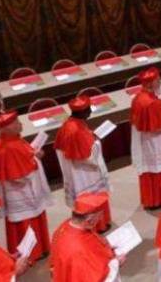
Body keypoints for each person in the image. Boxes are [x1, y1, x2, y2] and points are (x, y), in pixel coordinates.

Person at [0, 110, 51, 262]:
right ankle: (32, 253)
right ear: (6, 128)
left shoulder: (11, 140)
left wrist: (33, 154)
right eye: (16, 123)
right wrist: (35, 159)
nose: (20, 124)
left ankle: (42, 247)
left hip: (23, 192)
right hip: (21, 193)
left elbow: (24, 156)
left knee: (35, 217)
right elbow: (19, 176)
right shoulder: (8, 147)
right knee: (27, 223)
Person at [54, 97, 111, 232]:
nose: (90, 111)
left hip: (76, 171)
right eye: (88, 109)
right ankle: (97, 225)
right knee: (91, 198)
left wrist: (91, 137)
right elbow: (88, 157)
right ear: (82, 112)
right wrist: (97, 143)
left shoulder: (70, 123)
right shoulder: (75, 130)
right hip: (84, 173)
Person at [130, 68, 161, 209]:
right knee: (160, 168)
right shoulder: (151, 102)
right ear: (150, 83)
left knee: (150, 170)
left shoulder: (138, 97)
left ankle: (151, 200)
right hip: (156, 142)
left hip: (145, 141)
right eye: (158, 80)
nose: (160, 82)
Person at [49, 193, 120, 282]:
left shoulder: (64, 226)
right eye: (99, 216)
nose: (101, 218)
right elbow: (99, 278)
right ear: (90, 220)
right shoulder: (79, 251)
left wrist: (105, 247)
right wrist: (116, 263)